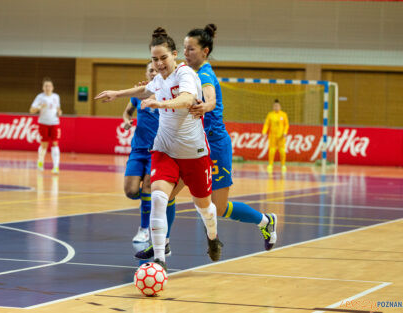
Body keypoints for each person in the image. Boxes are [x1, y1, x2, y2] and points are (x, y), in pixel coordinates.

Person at [135, 24, 278, 260]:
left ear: (205, 51)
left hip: (213, 145)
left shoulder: (204, 74)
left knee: (218, 208)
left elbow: (209, 97)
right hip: (187, 146)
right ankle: (163, 244)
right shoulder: (182, 74)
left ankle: (265, 221)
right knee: (165, 194)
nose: (186, 53)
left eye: (191, 49)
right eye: (184, 48)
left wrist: (207, 105)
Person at [95, 27, 222, 271]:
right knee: (158, 198)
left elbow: (186, 100)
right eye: (155, 59)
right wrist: (117, 93)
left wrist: (159, 103)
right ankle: (160, 260)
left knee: (204, 208)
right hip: (164, 149)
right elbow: (145, 89)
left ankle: (213, 237)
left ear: (175, 55)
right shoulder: (159, 79)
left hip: (194, 153)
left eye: (164, 57)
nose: (160, 63)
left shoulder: (185, 74)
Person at [123, 62, 176, 247]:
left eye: (156, 69)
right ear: (146, 74)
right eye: (150, 70)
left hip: (157, 150)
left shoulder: (167, 93)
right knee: (130, 191)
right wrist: (127, 121)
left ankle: (144, 229)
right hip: (138, 149)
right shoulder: (139, 93)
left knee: (147, 187)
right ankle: (148, 204)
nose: (154, 72)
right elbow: (127, 112)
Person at [29, 77, 62, 174]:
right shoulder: (40, 97)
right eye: (46, 86)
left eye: (49, 86)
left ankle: (56, 167)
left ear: (53, 87)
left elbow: (58, 108)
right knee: (44, 145)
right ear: (43, 88)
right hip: (43, 122)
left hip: (54, 122)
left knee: (55, 143)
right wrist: (40, 107)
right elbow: (31, 110)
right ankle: (40, 161)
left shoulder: (56, 96)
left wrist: (59, 111)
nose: (48, 88)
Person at [262, 99, 289, 174]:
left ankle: (283, 165)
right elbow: (267, 124)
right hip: (272, 136)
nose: (276, 107)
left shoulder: (283, 115)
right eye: (275, 106)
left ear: (280, 106)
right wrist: (264, 131)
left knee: (282, 151)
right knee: (272, 151)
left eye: (277, 106)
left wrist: (285, 132)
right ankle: (270, 164)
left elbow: (286, 125)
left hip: (281, 137)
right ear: (273, 107)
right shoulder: (270, 115)